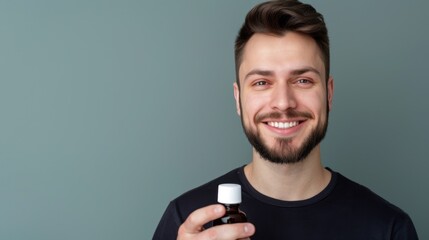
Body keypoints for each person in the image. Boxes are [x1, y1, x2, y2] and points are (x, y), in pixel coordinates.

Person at [152, 0, 418, 239]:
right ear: (238, 99)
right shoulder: (187, 222)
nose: (283, 102)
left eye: (302, 80)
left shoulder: (389, 228)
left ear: (329, 93)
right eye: (261, 82)